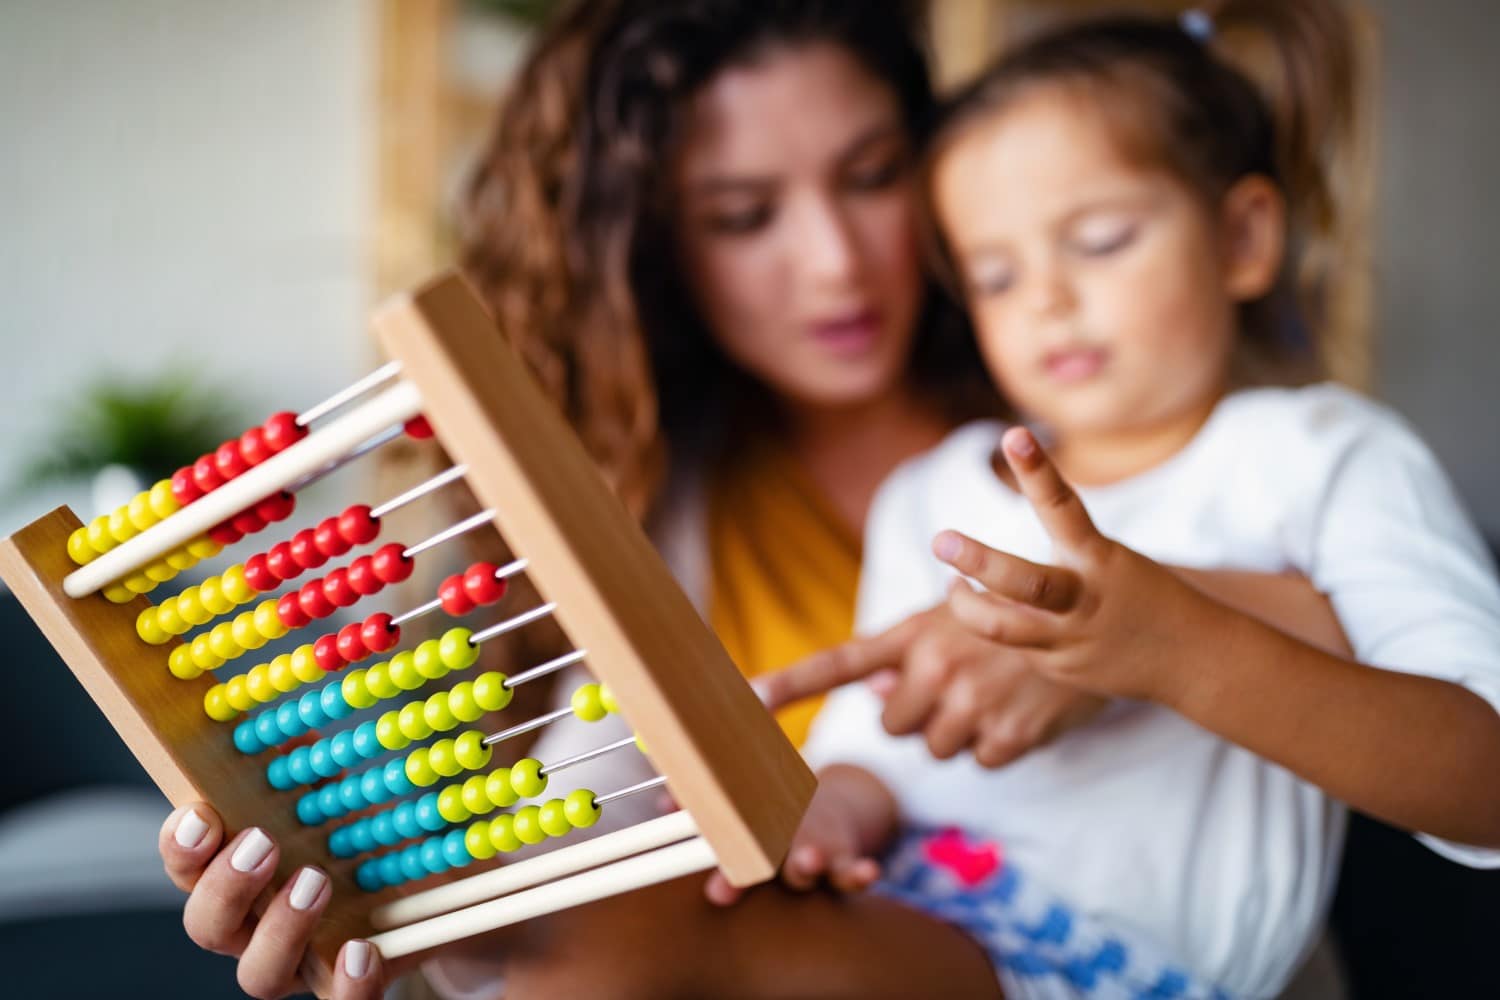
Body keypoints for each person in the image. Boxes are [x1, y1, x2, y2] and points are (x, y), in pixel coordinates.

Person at [155, 3, 1351, 997]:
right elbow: (559, 911)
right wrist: (324, 874)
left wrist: (1131, 630)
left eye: (873, 176)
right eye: (742, 216)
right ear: (654, 248)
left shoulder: (1107, 394)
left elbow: (1408, 649)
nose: (834, 259)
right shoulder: (608, 508)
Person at [755, 2, 1500, 997]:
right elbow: (870, 758)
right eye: (994, 274)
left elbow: (1484, 782)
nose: (1047, 299)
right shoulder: (928, 493)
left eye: (1100, 240)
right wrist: (824, 813)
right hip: (917, 908)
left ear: (1242, 237)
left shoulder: (1323, 459)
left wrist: (1171, 645)